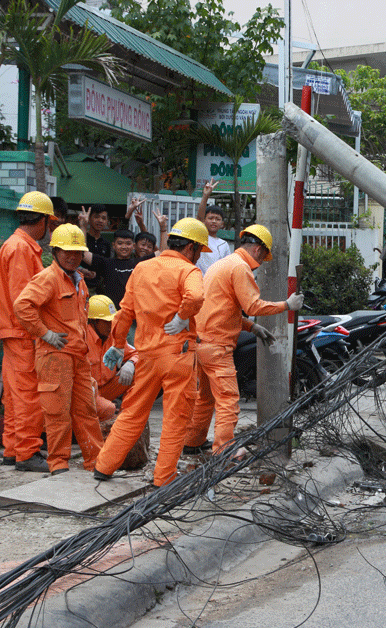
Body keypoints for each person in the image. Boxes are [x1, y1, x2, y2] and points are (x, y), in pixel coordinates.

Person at [92, 218, 208, 487]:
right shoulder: (188, 270)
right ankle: (163, 479)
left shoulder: (141, 268)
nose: (199, 255)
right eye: (199, 249)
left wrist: (118, 345)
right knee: (176, 418)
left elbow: (124, 312)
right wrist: (182, 316)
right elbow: (196, 298)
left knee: (132, 412)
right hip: (177, 355)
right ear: (191, 248)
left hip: (146, 356)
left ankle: (104, 466)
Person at [183, 224, 304, 457]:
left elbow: (222, 308)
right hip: (217, 346)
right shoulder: (240, 268)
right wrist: (287, 305)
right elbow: (253, 305)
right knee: (228, 400)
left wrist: (251, 326)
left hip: (201, 342)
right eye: (263, 256)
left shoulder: (223, 264)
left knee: (205, 398)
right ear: (259, 249)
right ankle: (224, 450)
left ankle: (193, 441)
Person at [13, 224, 104, 474]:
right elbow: (22, 306)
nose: (72, 256)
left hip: (77, 355)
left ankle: (97, 462)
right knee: (57, 413)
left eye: (77, 252)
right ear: (55, 252)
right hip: (55, 356)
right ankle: (59, 464)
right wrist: (45, 333)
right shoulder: (48, 278)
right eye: (67, 252)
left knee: (87, 411)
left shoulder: (79, 280)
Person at [0, 192, 53, 467]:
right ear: (40, 220)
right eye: (48, 223)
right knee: (28, 394)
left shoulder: (17, 245)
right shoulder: (21, 249)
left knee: (16, 395)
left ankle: (13, 449)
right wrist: (43, 332)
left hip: (14, 332)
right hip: (23, 332)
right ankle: (27, 452)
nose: (48, 229)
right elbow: (23, 300)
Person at [85, 295, 139, 421]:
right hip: (86, 393)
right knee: (107, 409)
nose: (111, 324)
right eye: (106, 321)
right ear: (94, 322)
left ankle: (126, 418)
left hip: (106, 389)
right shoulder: (82, 338)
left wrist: (130, 363)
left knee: (139, 372)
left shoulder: (113, 336)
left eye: (112, 320)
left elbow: (136, 354)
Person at [81, 229, 153, 307]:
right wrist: (83, 226)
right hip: (112, 314)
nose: (124, 247)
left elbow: (162, 253)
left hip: (134, 313)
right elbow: (83, 253)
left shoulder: (140, 263)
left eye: (128, 243)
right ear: (114, 245)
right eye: (120, 243)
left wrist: (163, 229)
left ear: (133, 246)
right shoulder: (106, 263)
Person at [196, 178, 233, 274]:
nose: (214, 221)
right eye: (210, 218)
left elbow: (227, 268)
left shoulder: (224, 245)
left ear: (222, 224)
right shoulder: (199, 236)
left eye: (217, 219)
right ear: (204, 221)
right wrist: (205, 196)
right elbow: (199, 218)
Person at [78, 204, 111, 294]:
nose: (100, 221)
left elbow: (106, 267)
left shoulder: (106, 244)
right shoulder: (81, 238)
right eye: (96, 217)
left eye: (104, 218)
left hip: (99, 289)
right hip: (80, 286)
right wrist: (82, 270)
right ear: (89, 218)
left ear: (107, 221)